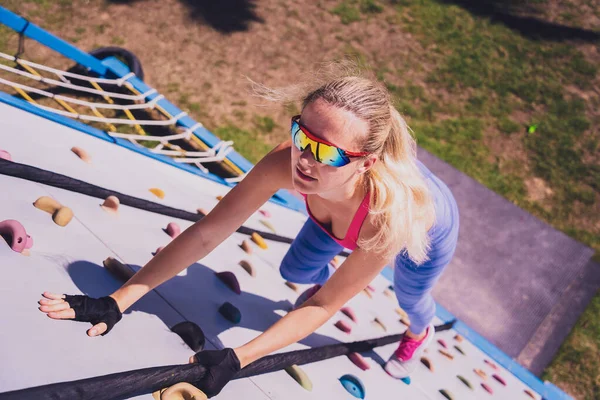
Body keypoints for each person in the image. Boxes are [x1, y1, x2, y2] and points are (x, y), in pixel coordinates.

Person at [37, 62, 460, 398]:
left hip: (420, 231)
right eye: (301, 134)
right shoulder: (290, 163)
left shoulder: (391, 215)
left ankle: (418, 332)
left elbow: (325, 306)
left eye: (325, 152)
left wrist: (238, 359)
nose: (304, 160)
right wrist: (118, 299)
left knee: (410, 295)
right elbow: (208, 233)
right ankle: (336, 262)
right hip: (340, 208)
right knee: (295, 274)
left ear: (366, 162)